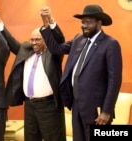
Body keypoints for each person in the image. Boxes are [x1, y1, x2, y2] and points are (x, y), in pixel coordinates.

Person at [40, 5, 122, 141]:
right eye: (82, 22)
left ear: (99, 23)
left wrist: (106, 111)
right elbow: (56, 48)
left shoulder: (110, 44)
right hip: (77, 105)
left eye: (88, 22)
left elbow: (114, 81)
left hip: (97, 109)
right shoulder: (79, 39)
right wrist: (46, 23)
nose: (84, 25)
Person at [0, 8, 66, 141]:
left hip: (49, 107)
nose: (34, 43)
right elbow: (11, 41)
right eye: (32, 40)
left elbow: (59, 39)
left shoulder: (54, 54)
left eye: (38, 40)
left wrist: (50, 20)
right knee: (30, 138)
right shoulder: (26, 50)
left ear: (46, 40)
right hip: (30, 105)